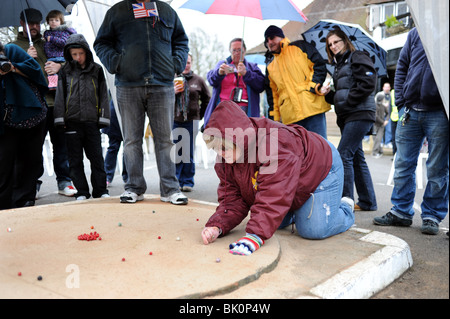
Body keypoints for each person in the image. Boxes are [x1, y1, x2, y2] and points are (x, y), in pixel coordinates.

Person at [200, 100, 355, 256]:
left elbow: (275, 192)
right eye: (215, 148)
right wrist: (217, 225)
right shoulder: (226, 159)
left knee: (313, 229)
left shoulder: (273, 144)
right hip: (292, 178)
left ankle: (345, 207)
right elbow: (232, 199)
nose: (220, 154)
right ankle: (301, 208)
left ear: (238, 140)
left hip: (320, 165)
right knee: (275, 223)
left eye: (224, 147)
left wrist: (255, 236)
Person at [94, 0, 189, 205]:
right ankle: (134, 188)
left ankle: (170, 189)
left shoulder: (166, 11)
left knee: (165, 140)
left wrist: (177, 63)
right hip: (128, 85)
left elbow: (181, 40)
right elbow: (101, 43)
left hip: (162, 85)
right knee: (131, 140)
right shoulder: (117, 11)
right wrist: (115, 62)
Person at [373, 28, 448, 235]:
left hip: (439, 112)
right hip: (410, 110)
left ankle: (432, 215)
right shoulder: (416, 32)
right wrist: (401, 103)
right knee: (403, 163)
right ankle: (401, 212)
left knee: (437, 168)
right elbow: (402, 66)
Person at [13, 8, 76, 198]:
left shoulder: (52, 40)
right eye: (29, 23)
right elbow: (9, 71)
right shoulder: (13, 46)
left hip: (56, 102)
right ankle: (33, 183)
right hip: (32, 105)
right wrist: (26, 58)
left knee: (61, 145)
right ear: (21, 23)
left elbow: (74, 62)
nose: (33, 27)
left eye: (36, 23)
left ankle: (64, 181)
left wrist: (60, 66)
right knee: (33, 148)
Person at [320, 27, 378, 211]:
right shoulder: (339, 66)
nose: (333, 46)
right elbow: (341, 95)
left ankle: (346, 201)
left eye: (336, 42)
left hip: (359, 113)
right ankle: (368, 202)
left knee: (343, 154)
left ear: (345, 41)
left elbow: (368, 82)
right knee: (356, 157)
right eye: (330, 44)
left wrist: (349, 101)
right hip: (348, 115)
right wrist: (328, 95)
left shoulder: (357, 56)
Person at [54, 34, 110, 200]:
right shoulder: (65, 71)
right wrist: (59, 119)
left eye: (81, 53)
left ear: (87, 52)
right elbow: (60, 95)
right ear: (69, 55)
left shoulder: (97, 70)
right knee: (75, 160)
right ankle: (82, 192)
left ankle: (101, 191)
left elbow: (104, 96)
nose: (78, 57)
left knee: (97, 159)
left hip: (92, 122)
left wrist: (103, 118)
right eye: (74, 54)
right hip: (72, 123)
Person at [0, 42, 48, 209]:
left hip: (32, 115)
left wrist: (12, 68)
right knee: (4, 163)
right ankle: (3, 205)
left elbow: (35, 70)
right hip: (6, 121)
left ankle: (25, 201)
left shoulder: (11, 50)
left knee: (30, 161)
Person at [264, 25, 330, 139]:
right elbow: (273, 97)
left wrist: (312, 87)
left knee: (321, 148)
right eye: (267, 40)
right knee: (299, 154)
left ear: (281, 36)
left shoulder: (300, 47)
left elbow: (318, 66)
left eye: (272, 37)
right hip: (291, 118)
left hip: (312, 108)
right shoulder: (270, 67)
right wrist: (274, 120)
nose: (269, 42)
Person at [202, 38, 265, 126]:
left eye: (239, 50)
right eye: (234, 50)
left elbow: (261, 85)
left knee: (243, 138)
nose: (236, 53)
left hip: (245, 111)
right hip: (223, 109)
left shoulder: (252, 67)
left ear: (244, 51)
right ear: (230, 51)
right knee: (223, 138)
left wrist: (246, 73)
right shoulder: (223, 64)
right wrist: (219, 73)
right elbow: (210, 79)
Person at [173, 53, 211, 192]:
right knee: (176, 151)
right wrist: (173, 91)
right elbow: (162, 98)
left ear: (191, 63)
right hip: (174, 120)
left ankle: (187, 181)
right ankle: (175, 180)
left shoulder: (198, 80)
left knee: (188, 151)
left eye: (188, 62)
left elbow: (207, 99)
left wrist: (200, 115)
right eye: (184, 62)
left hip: (192, 120)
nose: (186, 65)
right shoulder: (172, 79)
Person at [43, 10, 77, 89]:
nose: (53, 22)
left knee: (62, 72)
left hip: (60, 56)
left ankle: (65, 84)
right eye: (51, 20)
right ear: (48, 22)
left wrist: (52, 39)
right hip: (50, 57)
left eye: (56, 20)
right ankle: (54, 84)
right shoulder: (47, 33)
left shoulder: (63, 32)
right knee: (49, 69)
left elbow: (63, 43)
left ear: (61, 22)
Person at [102, 100, 128, 187]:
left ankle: (128, 176)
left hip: (127, 115)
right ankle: (107, 176)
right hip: (114, 116)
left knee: (128, 148)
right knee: (113, 147)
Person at [372, 83, 390, 158]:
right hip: (375, 124)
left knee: (378, 138)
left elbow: (388, 113)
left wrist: (387, 120)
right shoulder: (375, 106)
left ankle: (375, 152)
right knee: (375, 138)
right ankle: (380, 151)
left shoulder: (383, 106)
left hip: (381, 125)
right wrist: (384, 121)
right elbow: (375, 116)